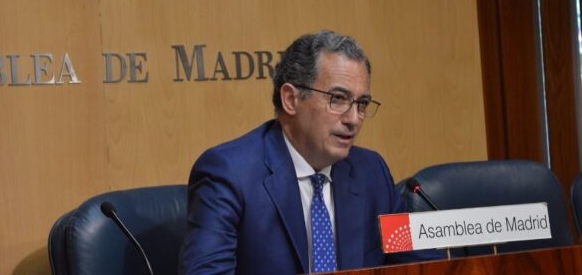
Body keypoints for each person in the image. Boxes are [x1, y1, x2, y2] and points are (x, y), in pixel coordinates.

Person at [179, 30, 441, 274]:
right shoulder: (230, 173)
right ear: (291, 99)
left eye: (361, 103)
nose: (353, 119)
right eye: (338, 98)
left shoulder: (371, 171)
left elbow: (419, 266)